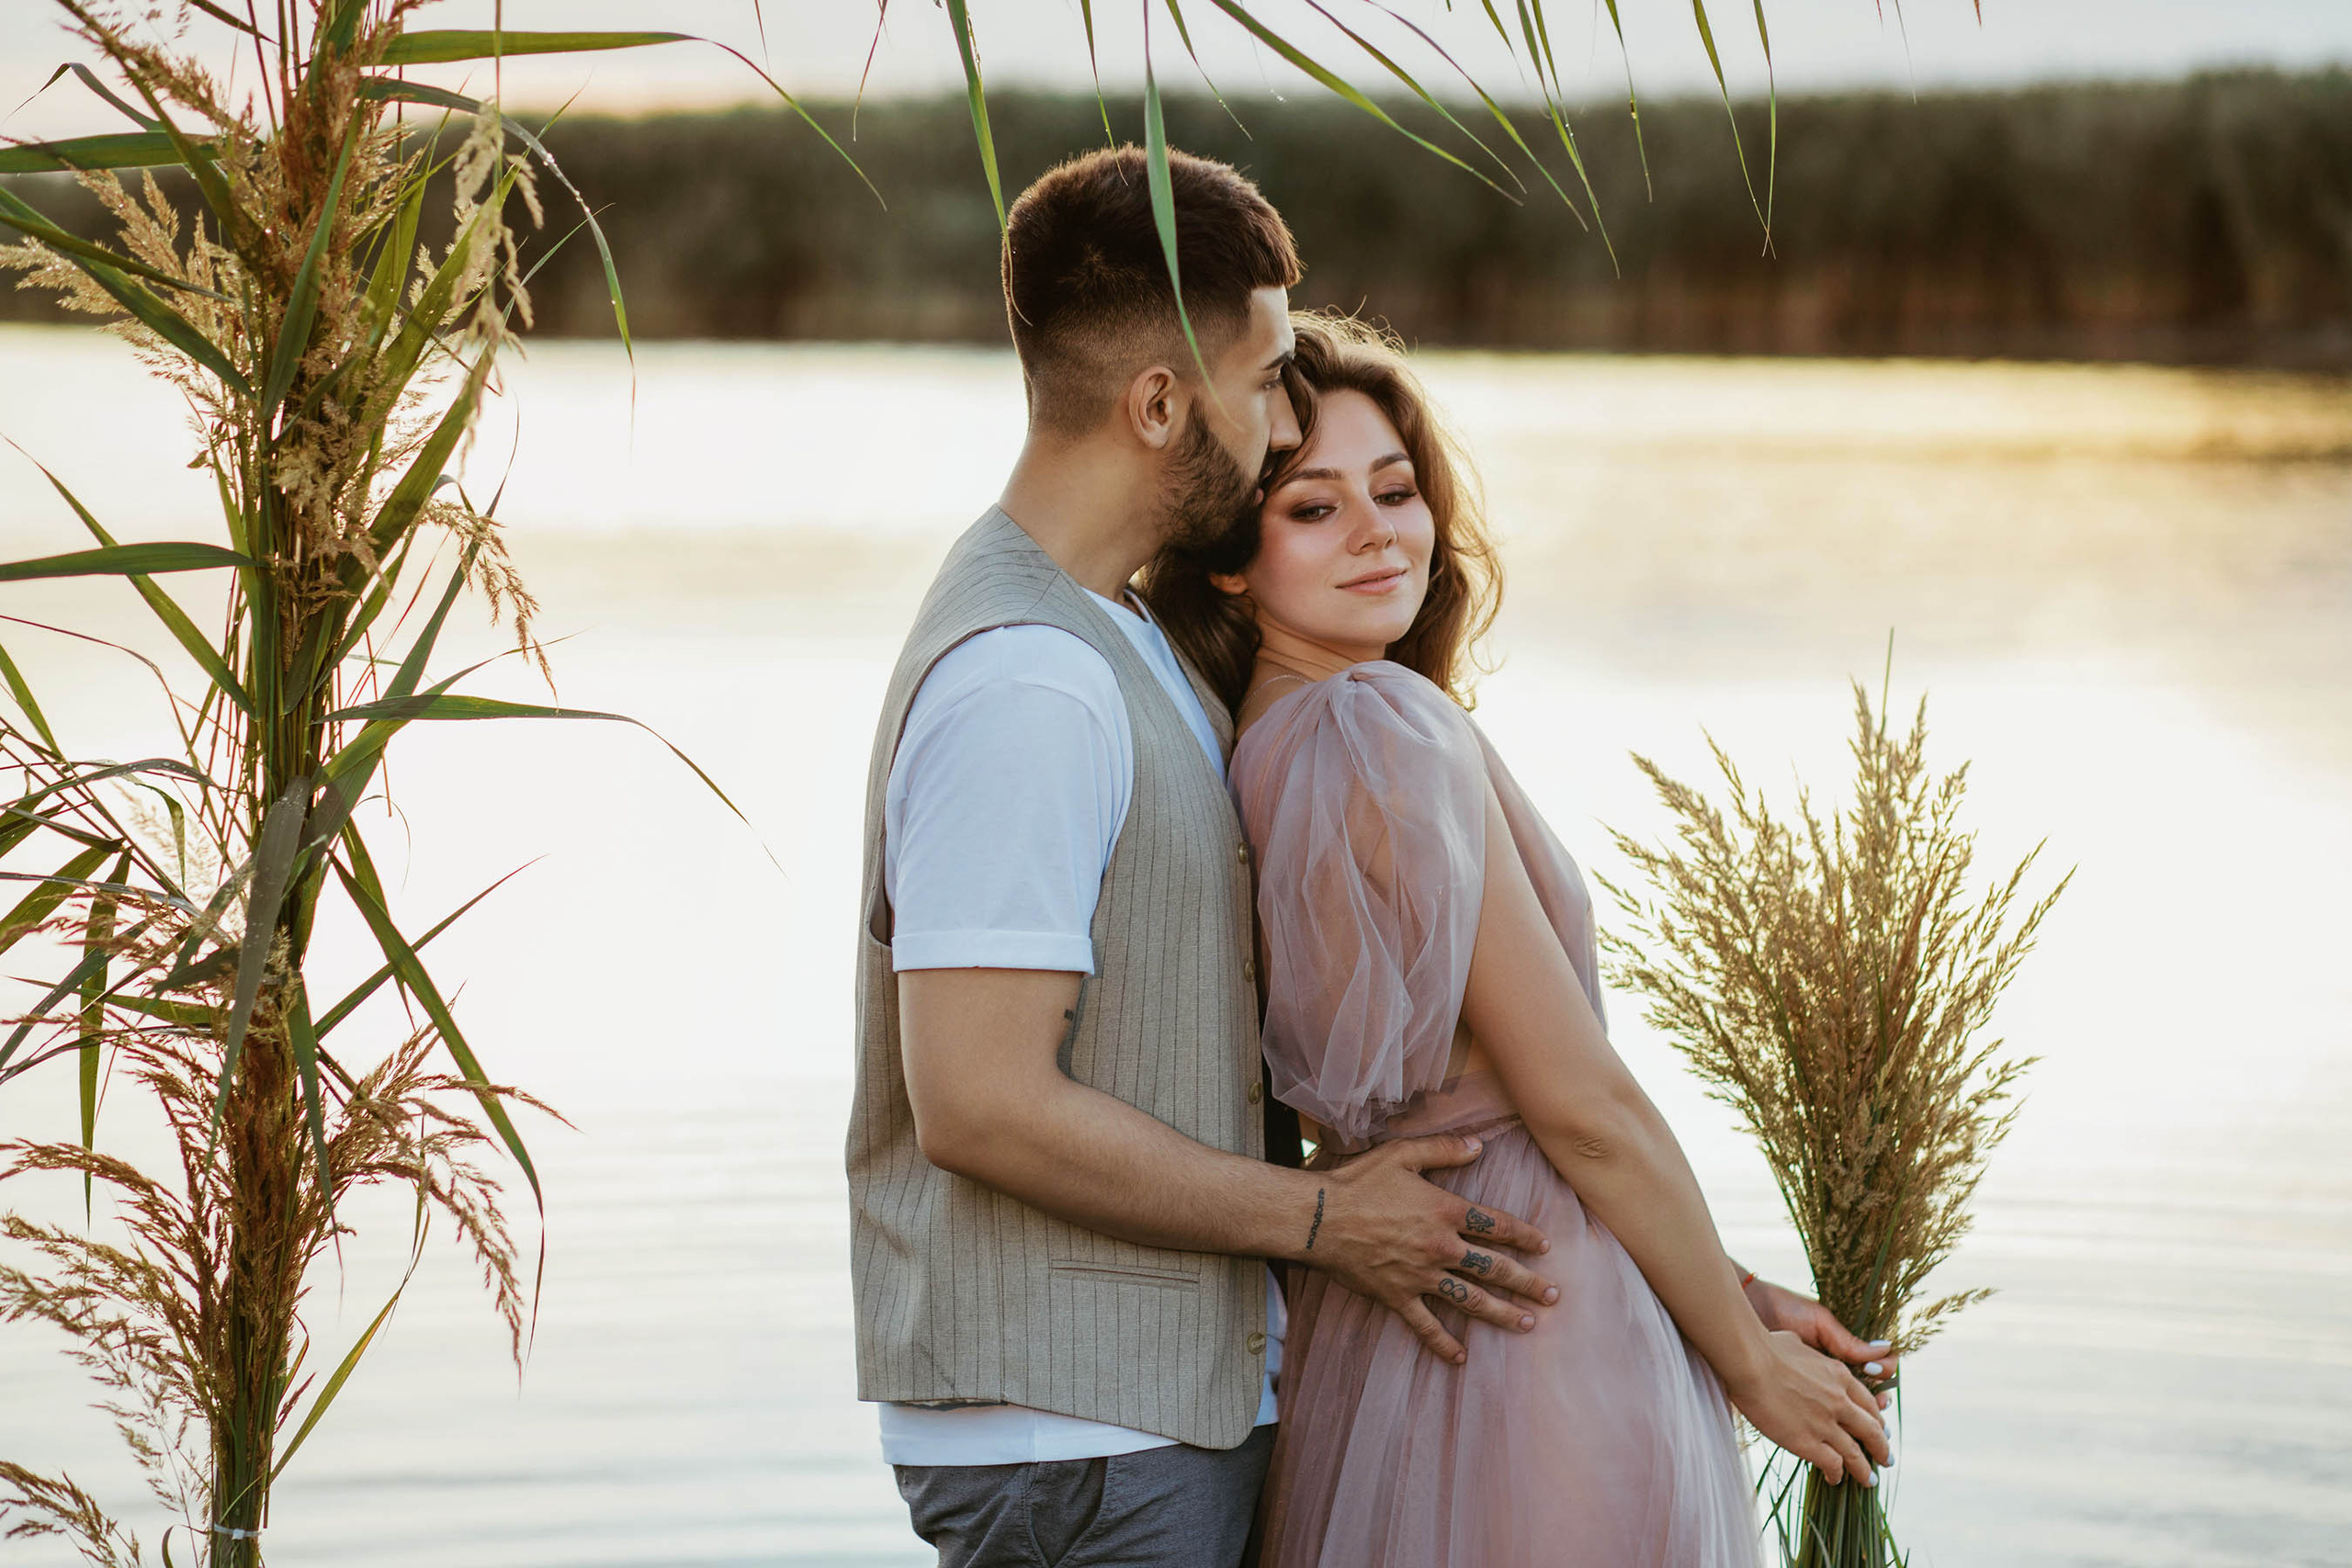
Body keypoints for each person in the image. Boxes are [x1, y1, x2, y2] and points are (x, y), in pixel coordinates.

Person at [846, 150, 1568, 1568]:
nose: (1283, 412)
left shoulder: (1107, 635)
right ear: (1161, 402)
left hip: (1134, 1421)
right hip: (1079, 1449)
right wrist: (1317, 1221)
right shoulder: (1030, 683)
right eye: (1258, 381)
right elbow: (979, 1102)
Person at [1140, 313, 1898, 1567]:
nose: (1379, 528)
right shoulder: (1385, 728)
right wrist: (1744, 1363)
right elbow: (1577, 1102)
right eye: (1313, 509)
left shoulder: (1251, 752)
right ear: (1230, 557)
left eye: (1395, 489)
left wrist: (1734, 1290)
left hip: (1395, 1314)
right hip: (1538, 1311)